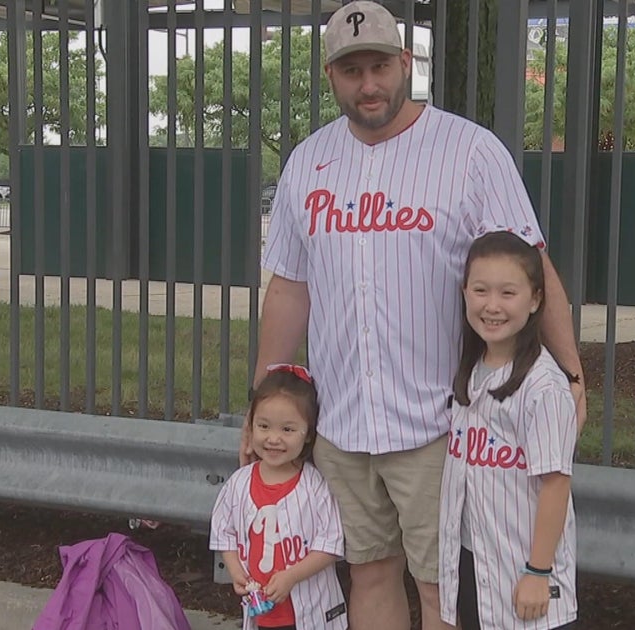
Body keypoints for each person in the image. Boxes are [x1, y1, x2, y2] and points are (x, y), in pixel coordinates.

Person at [248, 2, 586, 629]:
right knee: (368, 573)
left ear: (406, 63)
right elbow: (290, 289)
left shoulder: (469, 151)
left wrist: (571, 373)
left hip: (439, 425)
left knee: (440, 589)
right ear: (331, 77)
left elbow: (534, 267)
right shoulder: (308, 162)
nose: (368, 84)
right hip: (341, 425)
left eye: (380, 66)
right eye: (352, 72)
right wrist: (265, 404)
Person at [438, 231, 578, 630]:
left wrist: (538, 571)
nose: (492, 305)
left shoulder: (544, 387)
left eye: (508, 293)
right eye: (480, 290)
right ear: (465, 292)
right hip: (474, 561)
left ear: (535, 299)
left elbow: (555, 484)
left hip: (526, 572)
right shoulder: (469, 371)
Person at [210, 365, 349, 630]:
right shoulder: (239, 483)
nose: (273, 439)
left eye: (287, 430)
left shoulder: (315, 486)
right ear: (250, 428)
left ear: (308, 434)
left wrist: (291, 577)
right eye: (264, 426)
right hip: (262, 611)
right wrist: (235, 570)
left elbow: (330, 544)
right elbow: (223, 532)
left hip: (310, 613)